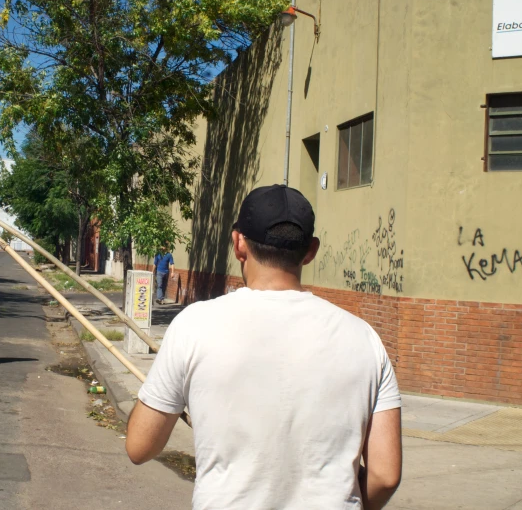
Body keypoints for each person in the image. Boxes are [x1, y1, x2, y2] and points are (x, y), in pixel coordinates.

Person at [126, 185, 402, 510]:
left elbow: (139, 446)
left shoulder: (193, 326)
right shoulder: (364, 338)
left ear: (238, 243)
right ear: (310, 251)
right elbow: (385, 476)